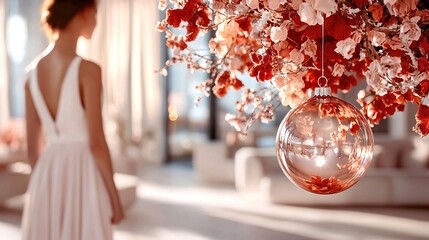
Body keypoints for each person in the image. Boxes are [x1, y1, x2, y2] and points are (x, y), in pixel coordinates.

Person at [22, 0, 124, 239]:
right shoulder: (89, 70)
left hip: (46, 176)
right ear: (85, 11)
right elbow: (96, 143)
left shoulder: (30, 75)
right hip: (83, 174)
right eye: (96, 13)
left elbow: (32, 151)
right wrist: (115, 199)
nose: (97, 21)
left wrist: (45, 187)